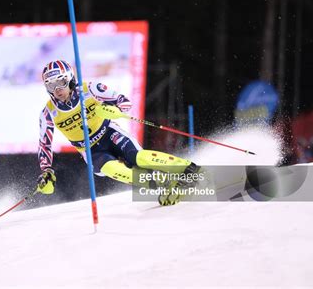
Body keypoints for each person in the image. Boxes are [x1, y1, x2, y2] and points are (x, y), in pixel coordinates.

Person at [36, 60, 200, 205]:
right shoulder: (48, 113)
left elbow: (124, 102)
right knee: (113, 169)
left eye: (61, 82)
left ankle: (189, 170)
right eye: (51, 85)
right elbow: (44, 145)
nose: (57, 89)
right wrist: (46, 171)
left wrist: (113, 109)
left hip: (109, 133)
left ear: (70, 78)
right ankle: (165, 184)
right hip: (91, 150)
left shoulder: (90, 89)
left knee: (138, 158)